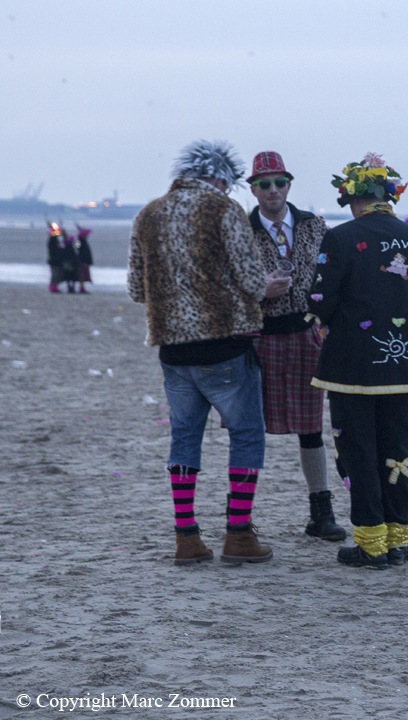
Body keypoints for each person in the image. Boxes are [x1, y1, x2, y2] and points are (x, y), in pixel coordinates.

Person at [127, 140, 272, 566]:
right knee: (246, 435)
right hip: (224, 343)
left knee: (184, 438)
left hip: (173, 350)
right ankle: (238, 534)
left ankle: (187, 537)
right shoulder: (223, 210)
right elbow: (250, 278)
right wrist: (268, 286)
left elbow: (138, 290)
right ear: (222, 179)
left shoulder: (148, 214)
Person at [309, 153, 408, 569]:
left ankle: (371, 543)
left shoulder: (340, 237)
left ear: (352, 197)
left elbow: (319, 298)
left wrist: (322, 319)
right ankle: (399, 538)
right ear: (389, 195)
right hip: (404, 365)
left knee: (357, 450)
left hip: (352, 366)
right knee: (398, 449)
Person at [246, 151, 345, 542]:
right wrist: (260, 290)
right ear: (253, 189)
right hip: (258, 335)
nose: (272, 190)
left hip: (307, 333)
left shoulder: (314, 226)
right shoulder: (239, 229)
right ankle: (240, 520)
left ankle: (321, 513)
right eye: (263, 183)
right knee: (250, 428)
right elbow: (224, 287)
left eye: (279, 182)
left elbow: (334, 277)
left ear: (289, 184)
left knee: (311, 427)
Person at [46, 223, 65, 293]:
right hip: (54, 260)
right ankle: (53, 287)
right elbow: (54, 250)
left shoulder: (55, 240)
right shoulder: (52, 240)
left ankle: (55, 286)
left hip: (56, 260)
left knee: (57, 274)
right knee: (55, 274)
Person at [75, 226, 93, 293]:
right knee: (82, 276)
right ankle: (81, 288)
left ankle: (82, 288)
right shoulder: (79, 241)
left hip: (84, 261)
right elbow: (76, 249)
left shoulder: (83, 241)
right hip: (82, 261)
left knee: (84, 276)